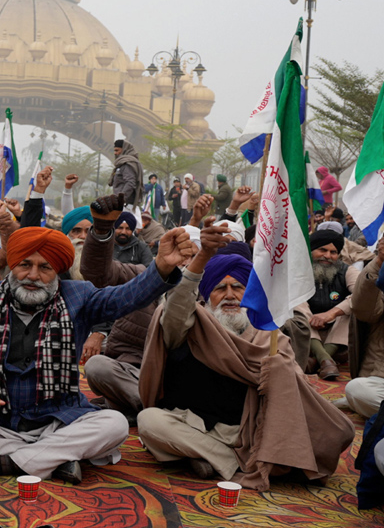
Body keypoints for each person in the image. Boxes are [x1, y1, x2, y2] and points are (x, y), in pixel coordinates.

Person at [0, 223, 191, 484]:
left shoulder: (79, 297)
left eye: (45, 267)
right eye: (25, 265)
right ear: (12, 265)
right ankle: (52, 458)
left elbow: (126, 297)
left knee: (115, 424)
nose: (33, 275)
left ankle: (3, 461)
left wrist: (162, 267)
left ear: (58, 271)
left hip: (59, 421)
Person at [137, 220, 354, 488]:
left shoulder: (270, 336)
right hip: (192, 424)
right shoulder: (191, 326)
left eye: (238, 287)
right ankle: (231, 461)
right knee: (149, 422)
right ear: (207, 295)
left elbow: (295, 393)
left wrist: (280, 374)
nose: (229, 296)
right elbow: (177, 309)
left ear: (250, 293)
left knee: (340, 429)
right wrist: (203, 255)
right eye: (219, 288)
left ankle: (207, 458)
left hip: (247, 431)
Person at [80, 196, 189, 423]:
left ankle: (135, 409)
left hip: (178, 379)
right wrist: (101, 229)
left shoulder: (210, 297)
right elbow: (98, 274)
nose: (184, 260)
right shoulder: (143, 276)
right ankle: (158, 409)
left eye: (192, 256)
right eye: (180, 253)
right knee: (96, 366)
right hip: (133, 372)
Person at [299, 227, 360, 380]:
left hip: (337, 335)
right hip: (306, 334)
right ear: (311, 250)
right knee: (295, 305)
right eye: (322, 250)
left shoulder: (346, 270)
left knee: (351, 310)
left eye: (333, 252)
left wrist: (331, 313)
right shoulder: (297, 271)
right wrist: (313, 318)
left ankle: (320, 359)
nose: (327, 256)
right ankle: (325, 359)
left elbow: (363, 294)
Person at [344, 238, 384, 417]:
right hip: (380, 376)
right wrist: (379, 263)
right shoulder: (379, 272)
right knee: (358, 390)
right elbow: (363, 311)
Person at [109, 139, 144, 209]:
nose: (115, 153)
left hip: (126, 205)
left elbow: (130, 182)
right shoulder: (122, 163)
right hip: (124, 204)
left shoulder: (127, 164)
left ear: (125, 149)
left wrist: (121, 199)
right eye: (114, 150)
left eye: (117, 150)